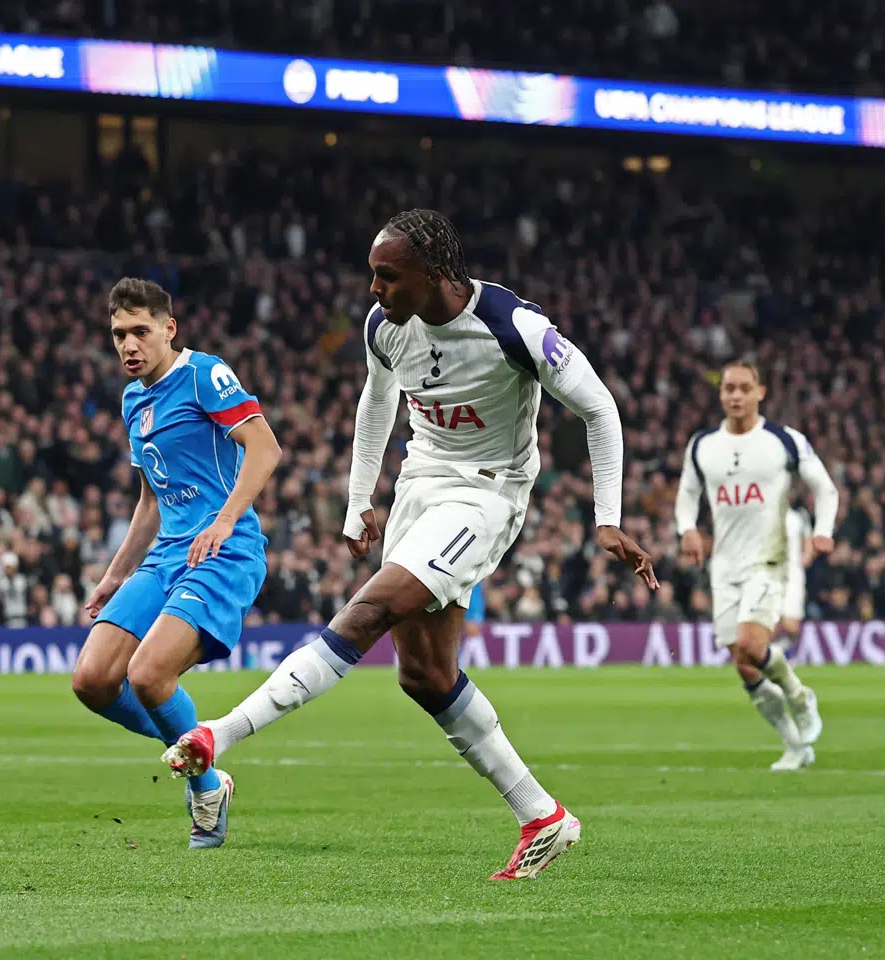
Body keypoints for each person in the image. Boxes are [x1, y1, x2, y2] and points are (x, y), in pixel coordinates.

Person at [163, 210, 656, 880]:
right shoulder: (383, 329)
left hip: (486, 494)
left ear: (435, 274)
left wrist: (608, 516)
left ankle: (218, 734)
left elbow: (600, 407)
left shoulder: (514, 327)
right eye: (373, 275)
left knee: (370, 610)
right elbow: (377, 403)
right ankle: (542, 817)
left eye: (388, 276)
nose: (374, 289)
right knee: (424, 675)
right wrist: (359, 499)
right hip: (419, 487)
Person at [69, 278, 282, 850]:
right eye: (119, 335)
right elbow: (149, 501)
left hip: (223, 552)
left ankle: (205, 787)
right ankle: (201, 761)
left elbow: (265, 449)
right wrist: (115, 573)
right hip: (167, 553)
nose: (129, 345)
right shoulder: (133, 399)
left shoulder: (204, 374)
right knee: (92, 681)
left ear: (169, 328)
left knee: (147, 673)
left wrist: (224, 520)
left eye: (141, 331)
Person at [675, 361, 838, 771]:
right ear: (721, 394)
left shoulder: (783, 440)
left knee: (751, 644)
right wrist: (687, 529)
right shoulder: (703, 445)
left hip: (768, 560)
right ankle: (795, 745)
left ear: (760, 392)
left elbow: (825, 487)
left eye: (744, 388)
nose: (735, 395)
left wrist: (823, 530)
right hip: (724, 564)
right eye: (729, 388)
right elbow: (687, 493)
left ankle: (800, 695)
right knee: (743, 662)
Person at [774, 505, 814, 652]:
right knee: (769, 626)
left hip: (793, 576)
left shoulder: (799, 516)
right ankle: (771, 657)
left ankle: (777, 652)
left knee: (791, 626)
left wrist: (807, 554)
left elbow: (808, 541)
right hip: (769, 576)